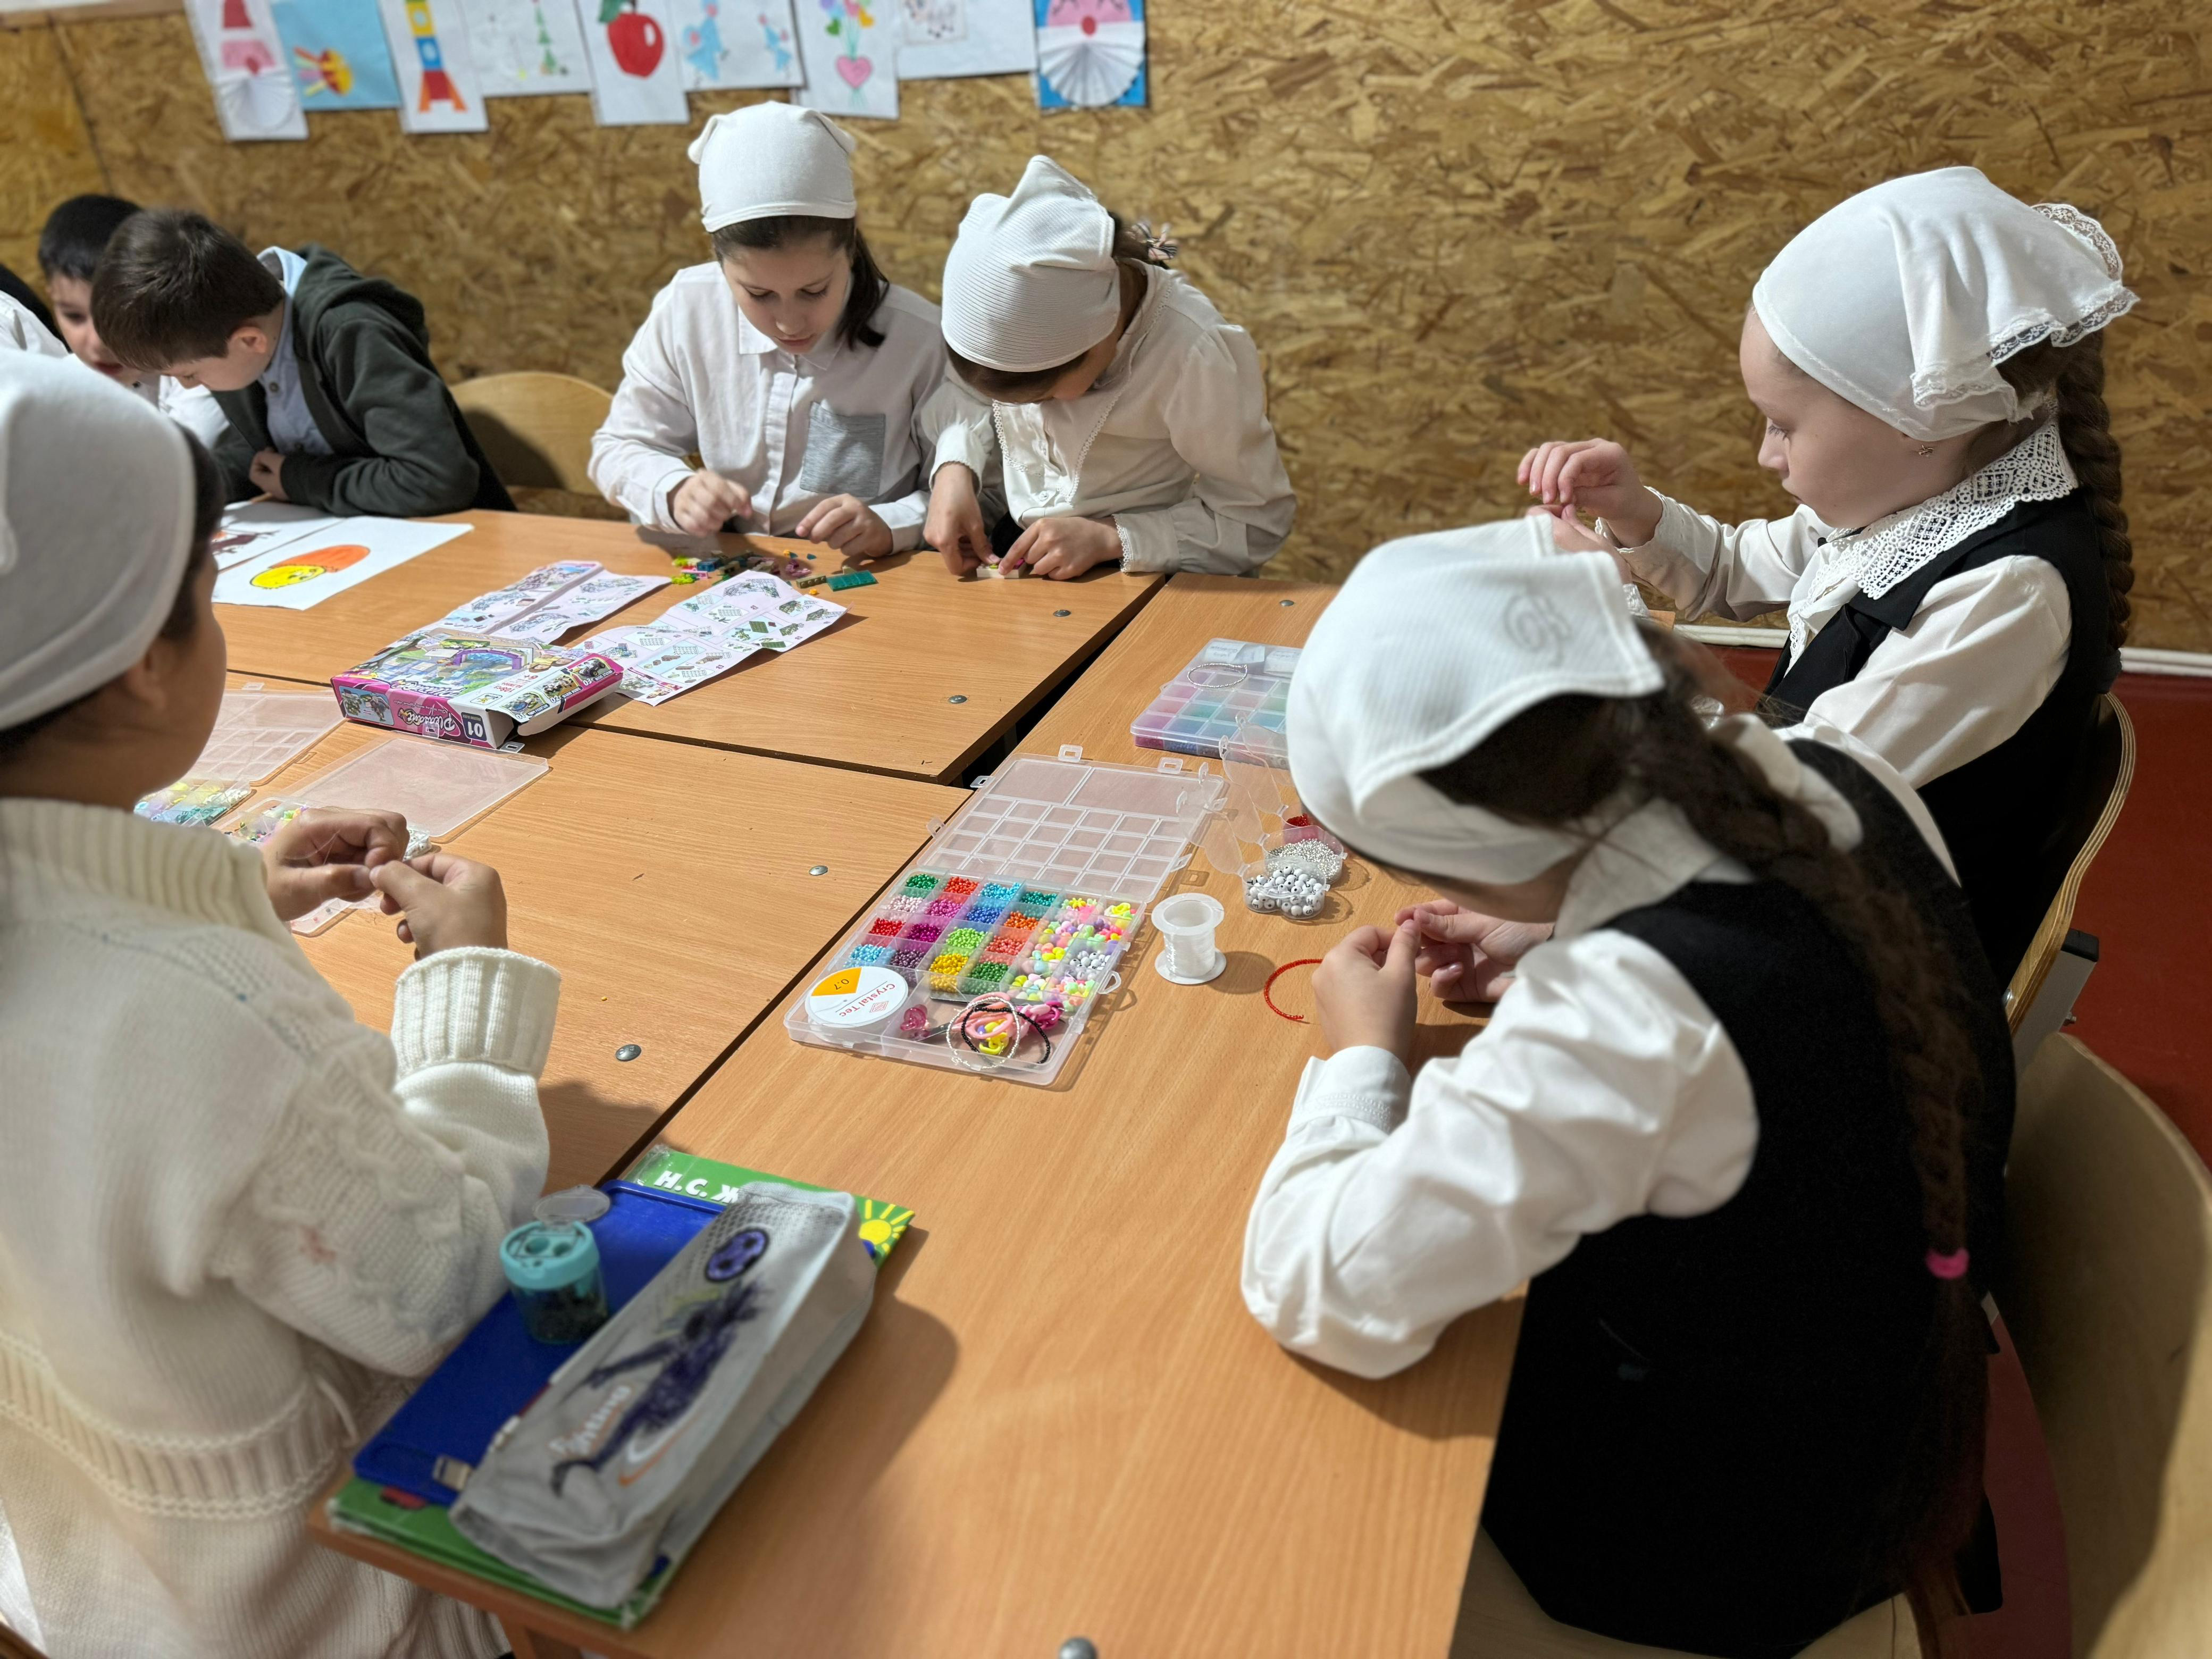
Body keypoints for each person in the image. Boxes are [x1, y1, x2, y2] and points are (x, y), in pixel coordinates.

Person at [1242, 521, 2014, 1658]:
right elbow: (1756, 947)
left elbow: (1322, 1286)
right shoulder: (1830, 766)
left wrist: (1362, 1058)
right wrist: (1556, 923)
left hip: (1725, 1536)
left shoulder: (1628, 1016)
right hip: (1859, 1382)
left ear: (1465, 857)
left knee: (1274, 1524)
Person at [0, 354, 554, 1658]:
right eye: (208, 589)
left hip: (91, 1589)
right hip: (333, 1609)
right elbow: (447, 1283)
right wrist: (463, 990)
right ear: (144, 665)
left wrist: (225, 891)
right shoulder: (203, 1017)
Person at [1518, 167, 2135, 978]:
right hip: (1790, 893)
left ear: (1916, 418)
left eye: (1782, 426)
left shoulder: (2006, 596)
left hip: (1870, 982)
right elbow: (1740, 568)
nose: (1765, 454)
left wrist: (1619, 632)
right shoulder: (1930, 483)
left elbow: (1765, 804)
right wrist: (1639, 516)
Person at [589, 104, 948, 559]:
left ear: (850, 250)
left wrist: (894, 524)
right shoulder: (688, 308)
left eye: (814, 291)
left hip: (869, 575)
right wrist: (674, 489)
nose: (789, 323)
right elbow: (620, 446)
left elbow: (976, 490)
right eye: (759, 294)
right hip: (732, 570)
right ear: (719, 262)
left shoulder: (917, 339)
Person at [924, 156, 1295, 580]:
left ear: (1103, 329)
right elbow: (967, 391)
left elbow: (1256, 520)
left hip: (1142, 571)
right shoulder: (1013, 333)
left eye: (1047, 395)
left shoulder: (1191, 350)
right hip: (1026, 558)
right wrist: (955, 467)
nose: (1041, 410)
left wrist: (1112, 537)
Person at [90, 209, 514, 517]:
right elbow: (269, 452)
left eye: (189, 374)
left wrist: (300, 480)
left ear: (249, 341)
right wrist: (198, 485)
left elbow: (436, 479)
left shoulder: (351, 332)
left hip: (463, 545)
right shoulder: (239, 331)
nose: (189, 386)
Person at [36, 193, 229, 448]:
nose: (98, 343)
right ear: (51, 295)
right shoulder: (57, 389)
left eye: (119, 313)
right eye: (74, 316)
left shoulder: (203, 372)